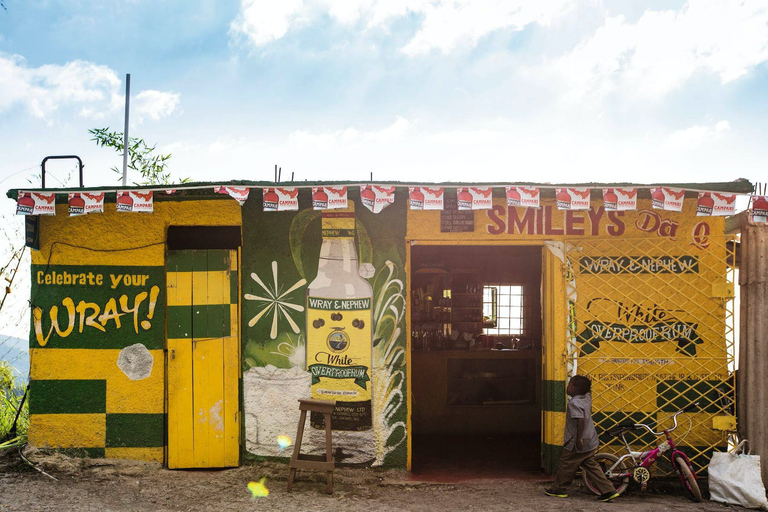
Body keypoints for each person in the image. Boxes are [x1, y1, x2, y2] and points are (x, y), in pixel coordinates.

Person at [545, 375, 620, 502]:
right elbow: (587, 391)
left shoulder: (573, 403)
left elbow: (580, 419)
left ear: (574, 389)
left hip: (577, 441)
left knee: (566, 463)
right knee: (591, 464)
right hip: (590, 439)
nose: (567, 387)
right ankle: (608, 490)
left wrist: (579, 438)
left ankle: (559, 489)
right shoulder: (587, 397)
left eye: (570, 385)